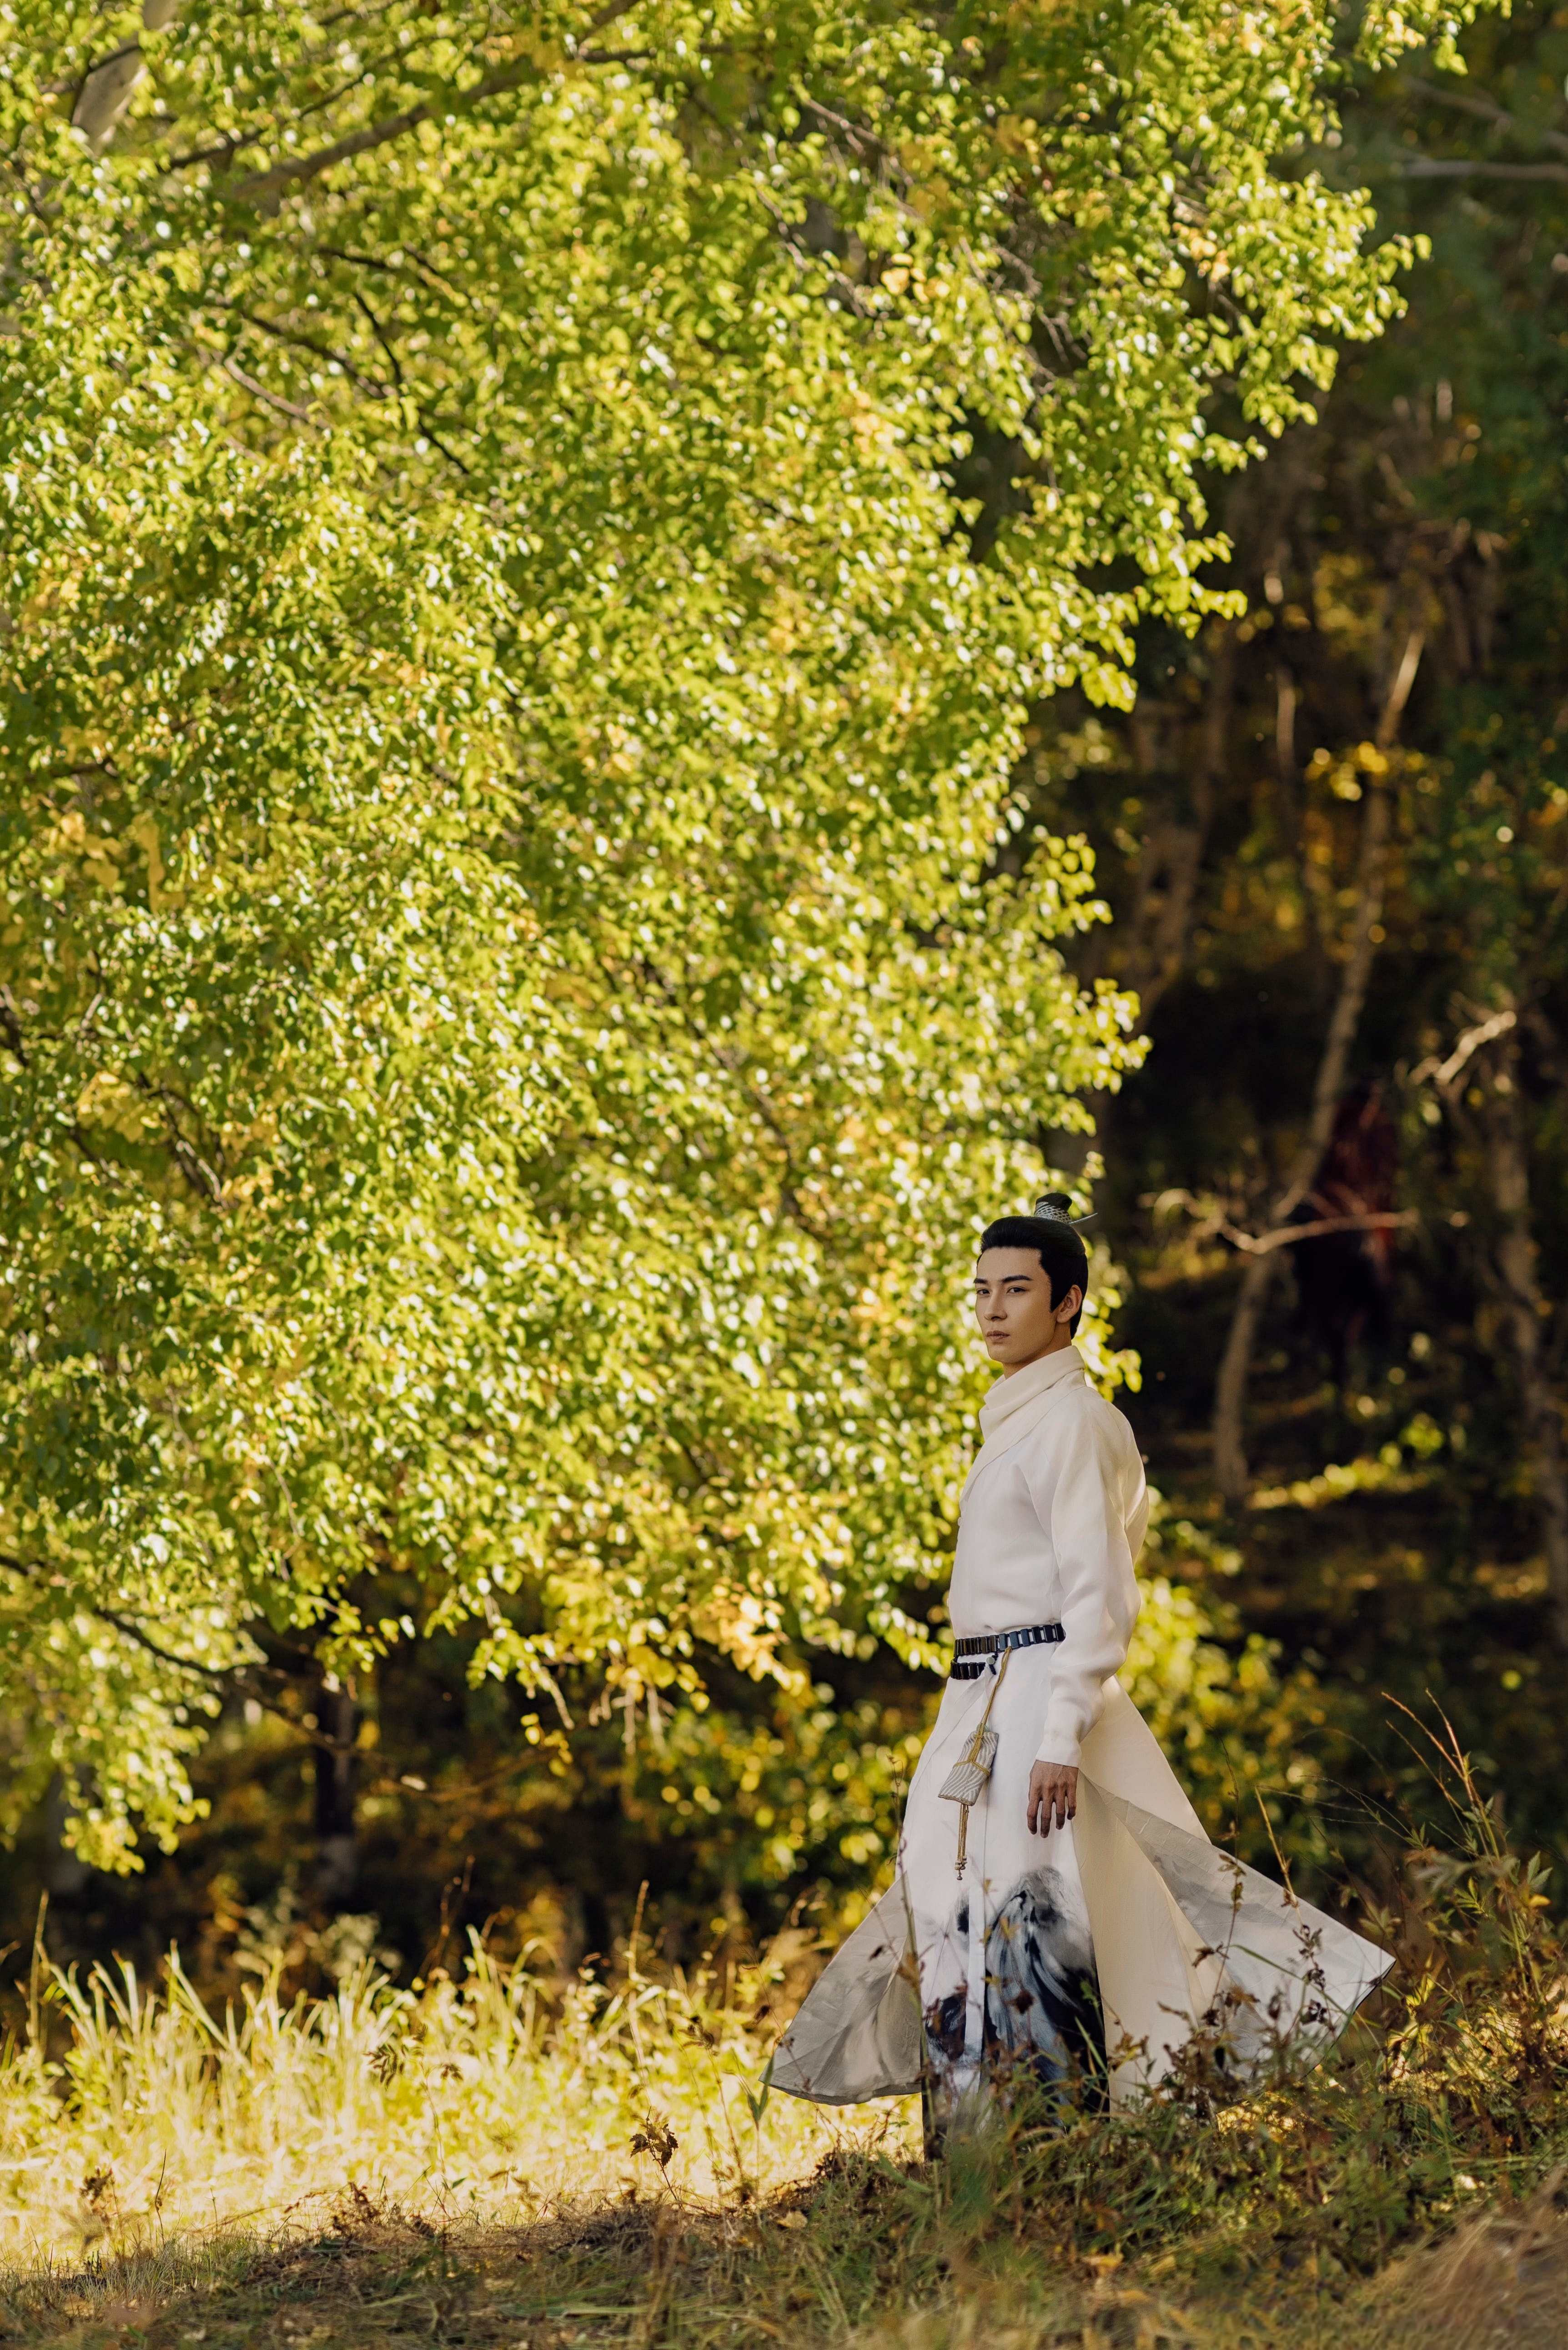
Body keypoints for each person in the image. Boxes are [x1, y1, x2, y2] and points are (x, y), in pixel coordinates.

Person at [770, 1193, 1390, 2142]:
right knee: (948, 1906)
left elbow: (1096, 1592)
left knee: (1033, 1915)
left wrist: (1060, 1730)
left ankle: (1048, 2156)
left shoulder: (1074, 1422)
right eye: (979, 1290)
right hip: (977, 1695)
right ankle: (976, 2155)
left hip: (1035, 1698)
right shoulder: (1015, 1422)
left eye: (1013, 1290)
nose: (989, 1308)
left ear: (1065, 1303)